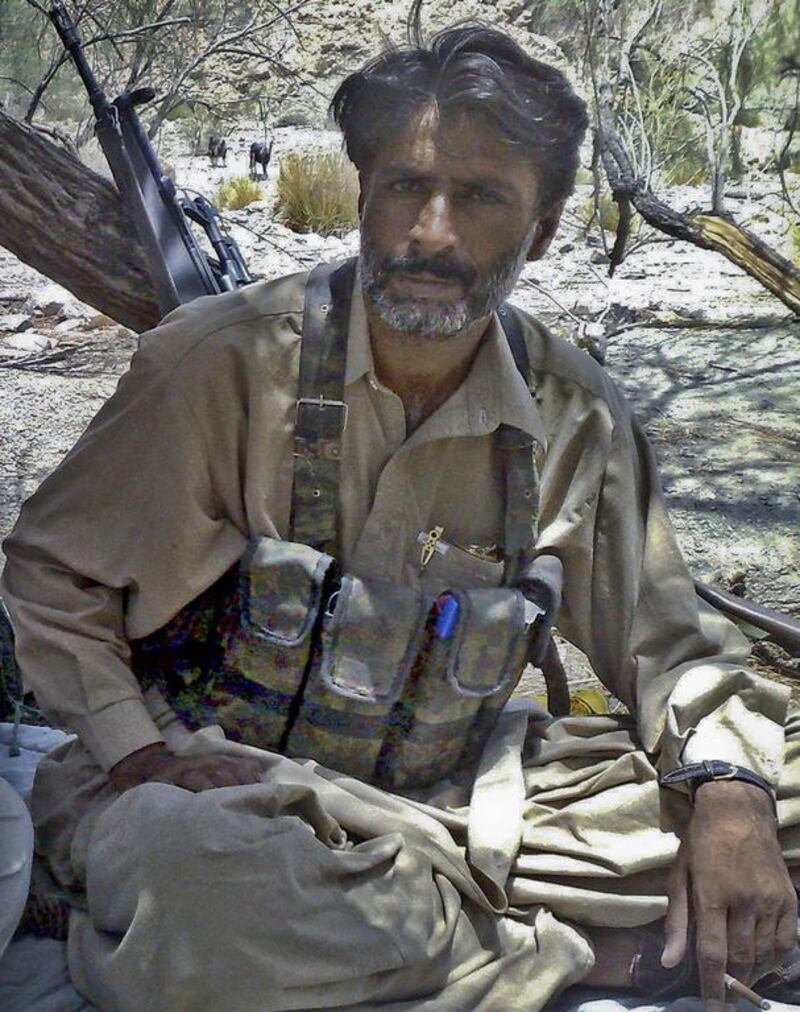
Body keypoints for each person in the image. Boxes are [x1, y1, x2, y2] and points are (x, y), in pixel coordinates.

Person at [1, 24, 799, 1012]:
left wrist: (728, 789)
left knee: (768, 807)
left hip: (463, 797)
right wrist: (138, 750)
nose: (431, 232)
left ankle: (461, 935)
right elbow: (50, 572)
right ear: (363, 198)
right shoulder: (217, 362)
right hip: (224, 780)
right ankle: (608, 956)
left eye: (479, 198)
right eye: (404, 188)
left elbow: (667, 641)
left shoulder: (573, 408)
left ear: (539, 230)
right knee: (195, 884)